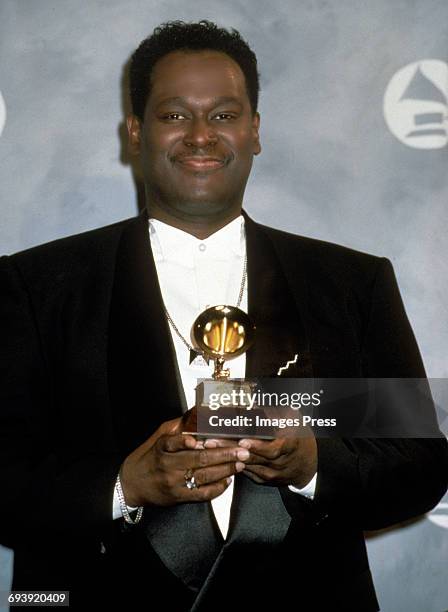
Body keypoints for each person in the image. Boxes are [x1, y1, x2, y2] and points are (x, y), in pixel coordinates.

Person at [0, 20, 447, 612]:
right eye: (174, 114)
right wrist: (124, 485)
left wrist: (315, 464)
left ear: (255, 130)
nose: (201, 136)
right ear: (135, 131)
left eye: (224, 114)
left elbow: (418, 464)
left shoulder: (351, 283)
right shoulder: (36, 285)